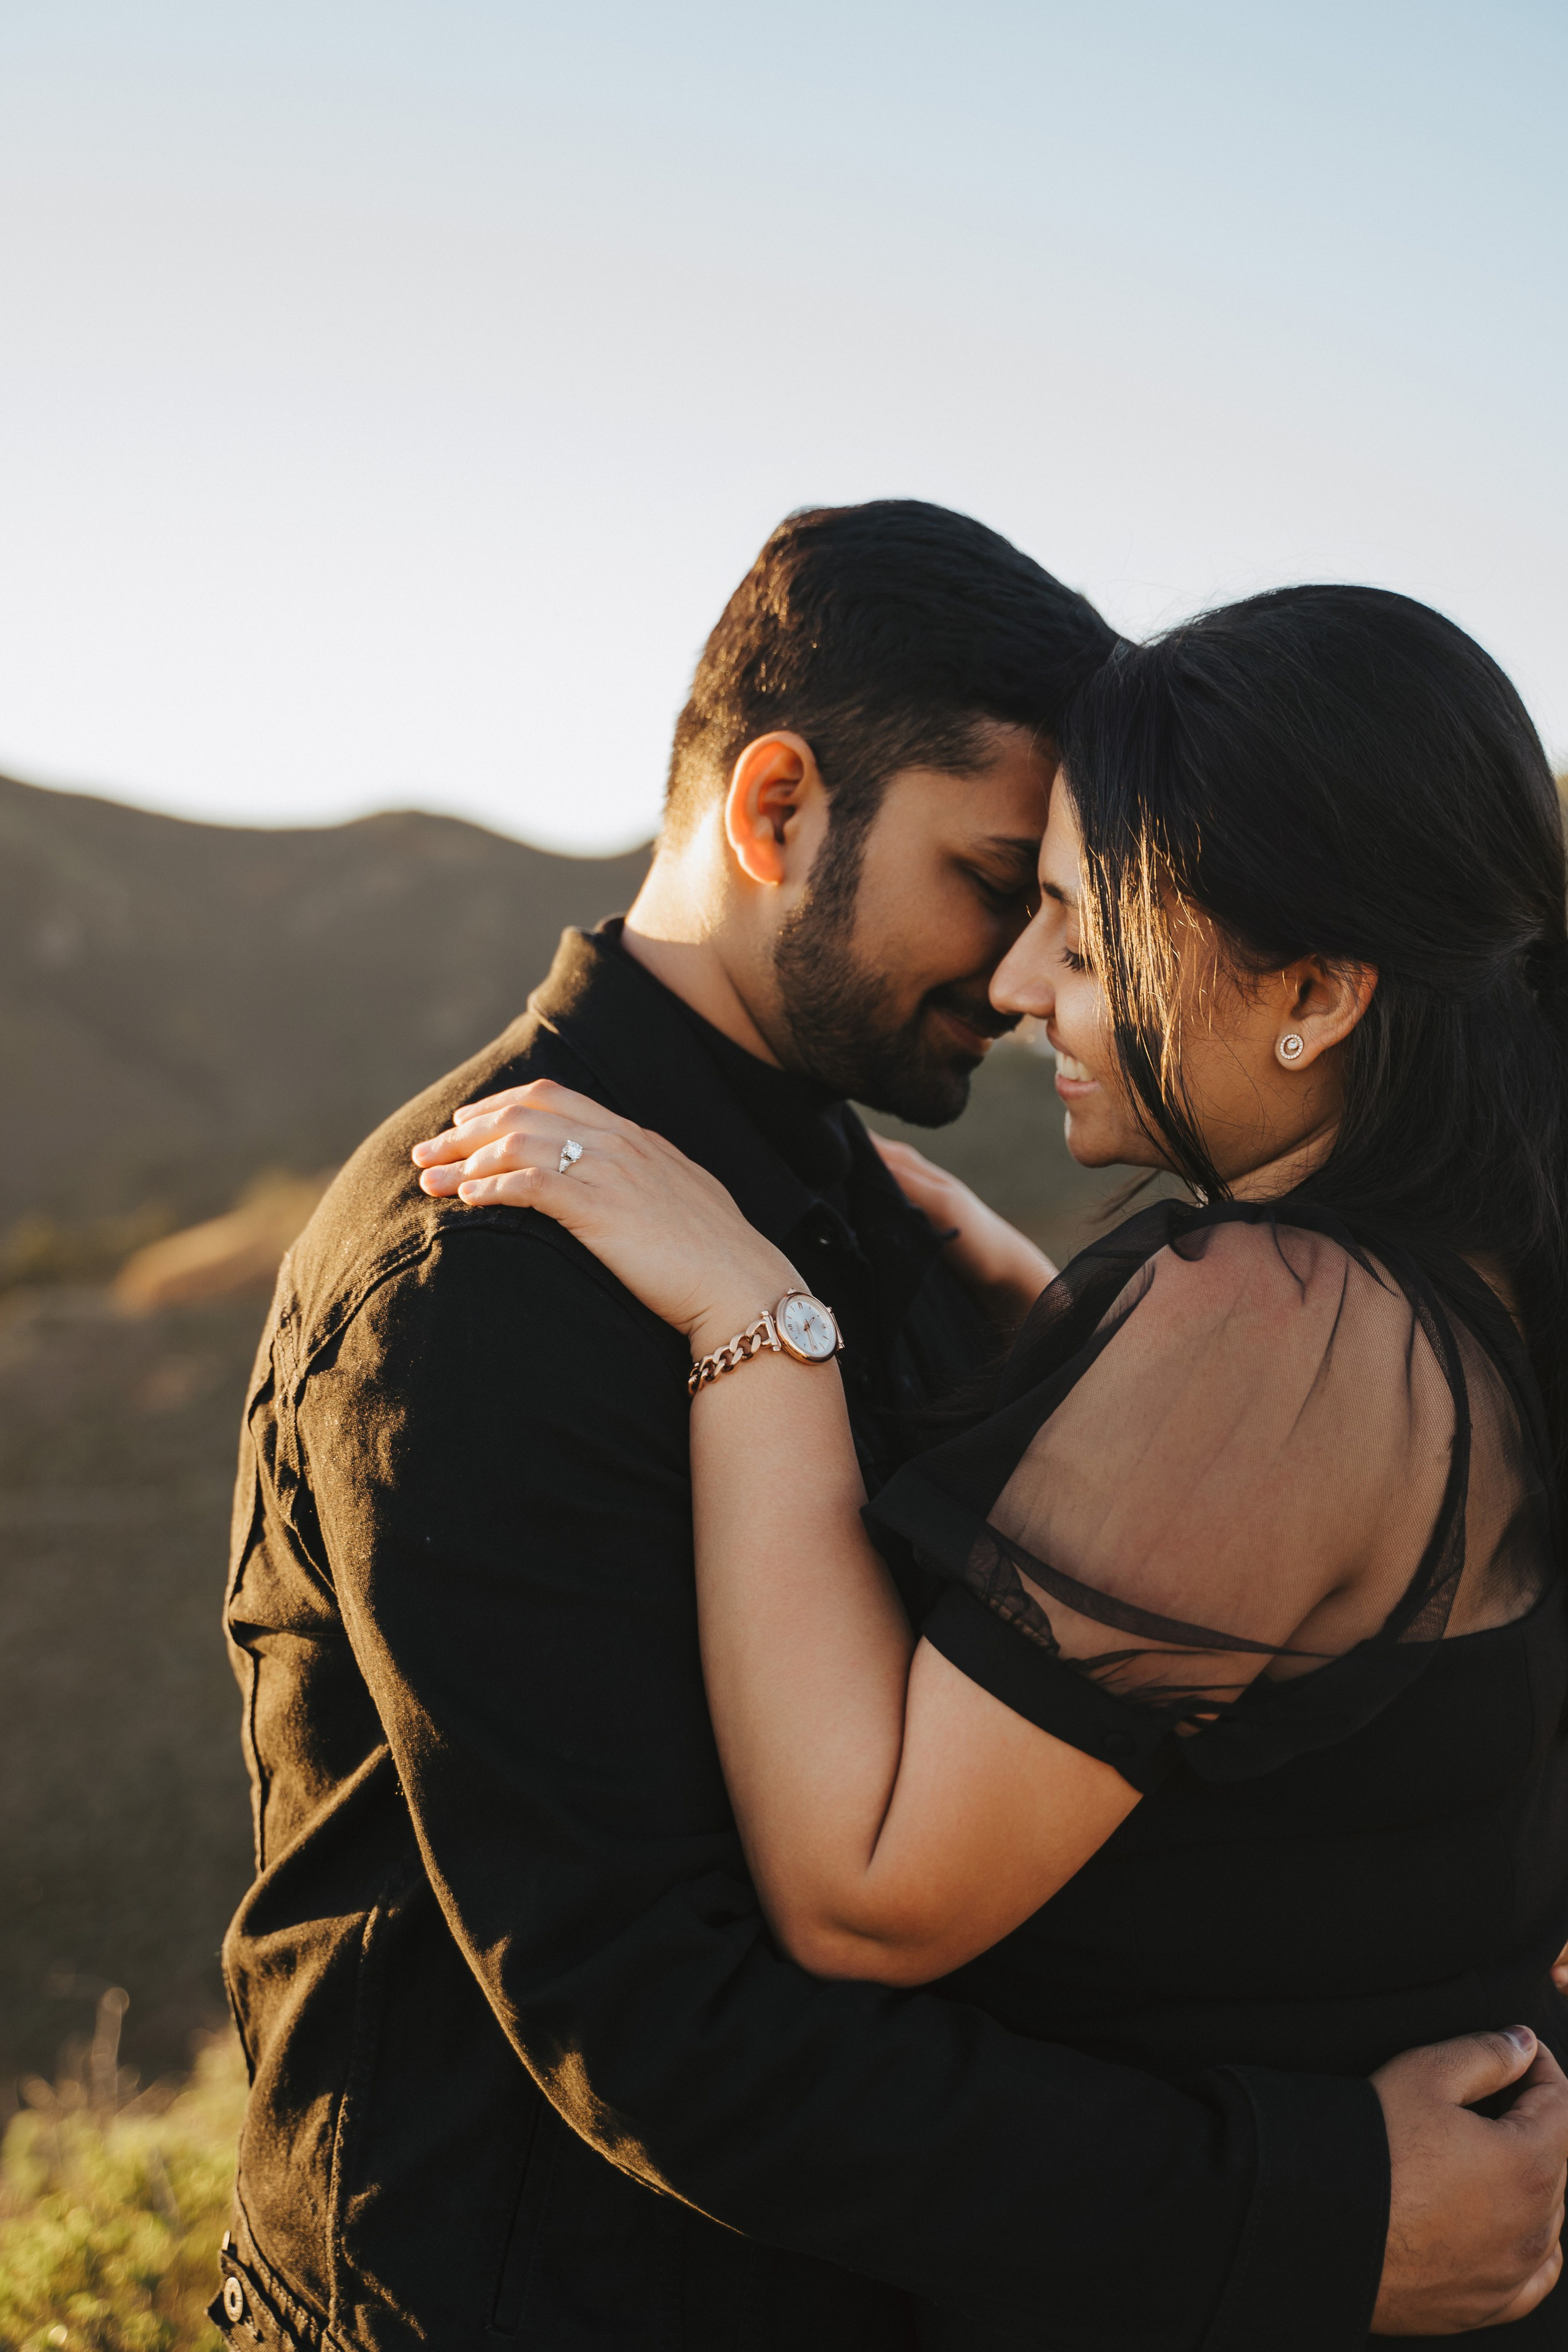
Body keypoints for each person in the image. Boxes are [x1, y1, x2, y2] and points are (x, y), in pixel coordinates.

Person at [211, 515, 1565, 2352]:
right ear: (778, 812)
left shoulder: (894, 1223)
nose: (1025, 975)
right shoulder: (496, 1258)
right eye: (1001, 879)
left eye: (1073, 913)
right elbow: (674, 2022)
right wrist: (1315, 2202)